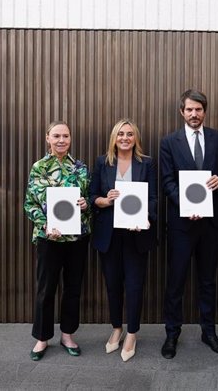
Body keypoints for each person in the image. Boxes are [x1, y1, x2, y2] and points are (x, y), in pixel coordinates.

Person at [159, 89, 218, 359]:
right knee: (176, 281)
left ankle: (209, 332)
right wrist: (186, 205)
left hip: (211, 224)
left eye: (198, 109)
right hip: (181, 224)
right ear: (182, 112)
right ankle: (171, 334)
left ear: (205, 111)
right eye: (189, 109)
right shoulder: (169, 141)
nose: (194, 114)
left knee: (208, 281)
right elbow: (167, 181)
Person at [89, 118, 158, 362]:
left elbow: (152, 197)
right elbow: (92, 197)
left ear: (135, 137)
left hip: (136, 232)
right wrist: (106, 200)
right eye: (121, 134)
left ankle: (132, 332)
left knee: (135, 285)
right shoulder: (102, 162)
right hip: (109, 233)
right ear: (114, 138)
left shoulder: (146, 163)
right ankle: (116, 327)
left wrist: (147, 217)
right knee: (113, 284)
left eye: (129, 134)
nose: (125, 138)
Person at [24, 121, 91, 361]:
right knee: (46, 289)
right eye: (56, 136)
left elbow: (89, 203)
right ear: (47, 138)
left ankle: (67, 335)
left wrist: (86, 204)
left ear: (70, 138)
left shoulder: (81, 168)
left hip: (76, 239)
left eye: (65, 136)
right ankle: (42, 338)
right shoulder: (39, 167)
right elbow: (29, 204)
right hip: (48, 238)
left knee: (73, 289)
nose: (61, 140)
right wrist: (44, 224)